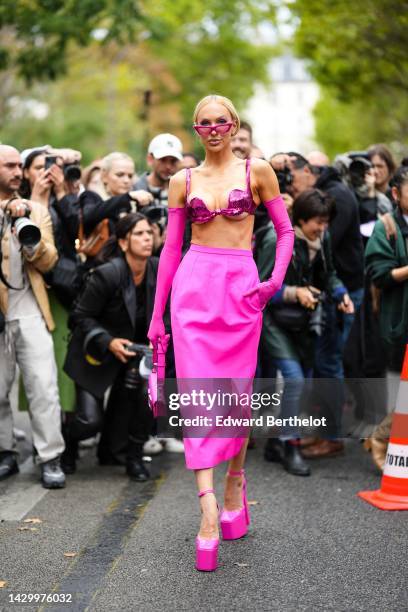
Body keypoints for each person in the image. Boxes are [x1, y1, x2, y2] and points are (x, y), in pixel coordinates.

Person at [147, 94, 294, 571]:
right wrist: (157, 315)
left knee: (236, 396)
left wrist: (272, 282)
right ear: (196, 129)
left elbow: (285, 232)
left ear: (233, 126)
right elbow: (170, 250)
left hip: (240, 291)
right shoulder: (180, 181)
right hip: (193, 290)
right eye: (203, 123)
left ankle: (235, 479)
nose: (213, 129)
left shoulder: (259, 171)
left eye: (220, 121)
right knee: (198, 398)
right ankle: (208, 509)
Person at [64, 213, 169, 479]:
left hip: (134, 355)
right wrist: (108, 341)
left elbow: (168, 313)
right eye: (139, 234)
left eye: (150, 233)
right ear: (123, 242)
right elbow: (79, 317)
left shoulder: (160, 269)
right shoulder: (106, 274)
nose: (147, 238)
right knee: (89, 422)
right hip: (96, 353)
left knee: (150, 395)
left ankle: (132, 456)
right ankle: (68, 444)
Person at [260, 190, 353, 474]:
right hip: (272, 321)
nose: (322, 228)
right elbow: (258, 288)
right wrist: (294, 292)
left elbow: (330, 273)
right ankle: (291, 445)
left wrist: (340, 293)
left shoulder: (321, 238)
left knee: (303, 382)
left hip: (304, 322)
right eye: (317, 222)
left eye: (326, 222)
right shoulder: (276, 240)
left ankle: (275, 442)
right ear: (300, 219)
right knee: (294, 379)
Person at [0, 145, 65, 488]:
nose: (16, 170)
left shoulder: (37, 210)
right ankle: (5, 451)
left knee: (43, 386)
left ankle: (50, 457)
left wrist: (30, 242)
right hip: (0, 313)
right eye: (8, 165)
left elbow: (50, 260)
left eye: (17, 165)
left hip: (30, 309)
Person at [364, 166, 408, 469]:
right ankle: (382, 442)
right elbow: (379, 275)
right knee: (401, 398)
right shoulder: (387, 227)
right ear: (396, 194)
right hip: (399, 323)